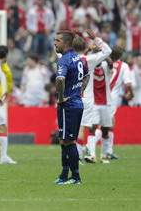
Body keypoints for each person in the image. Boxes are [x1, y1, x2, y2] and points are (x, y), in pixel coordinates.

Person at [72, 30, 112, 162]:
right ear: (85, 48)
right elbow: (107, 51)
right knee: (89, 128)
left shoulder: (67, 60)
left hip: (73, 98)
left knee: (76, 128)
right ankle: (89, 153)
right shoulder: (90, 60)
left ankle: (76, 156)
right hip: (88, 100)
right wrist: (95, 38)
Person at [54, 30, 87, 185]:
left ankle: (75, 177)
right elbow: (86, 76)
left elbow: (60, 79)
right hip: (75, 102)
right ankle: (64, 174)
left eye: (57, 40)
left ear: (66, 43)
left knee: (69, 141)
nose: (55, 43)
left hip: (68, 105)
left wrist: (61, 98)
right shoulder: (79, 58)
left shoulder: (64, 60)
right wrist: (80, 91)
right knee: (63, 140)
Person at [107, 46, 133, 159]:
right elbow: (128, 83)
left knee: (110, 122)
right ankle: (88, 147)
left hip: (99, 95)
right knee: (106, 124)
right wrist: (131, 93)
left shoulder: (105, 63)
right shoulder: (124, 66)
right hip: (112, 98)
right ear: (120, 56)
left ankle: (109, 150)